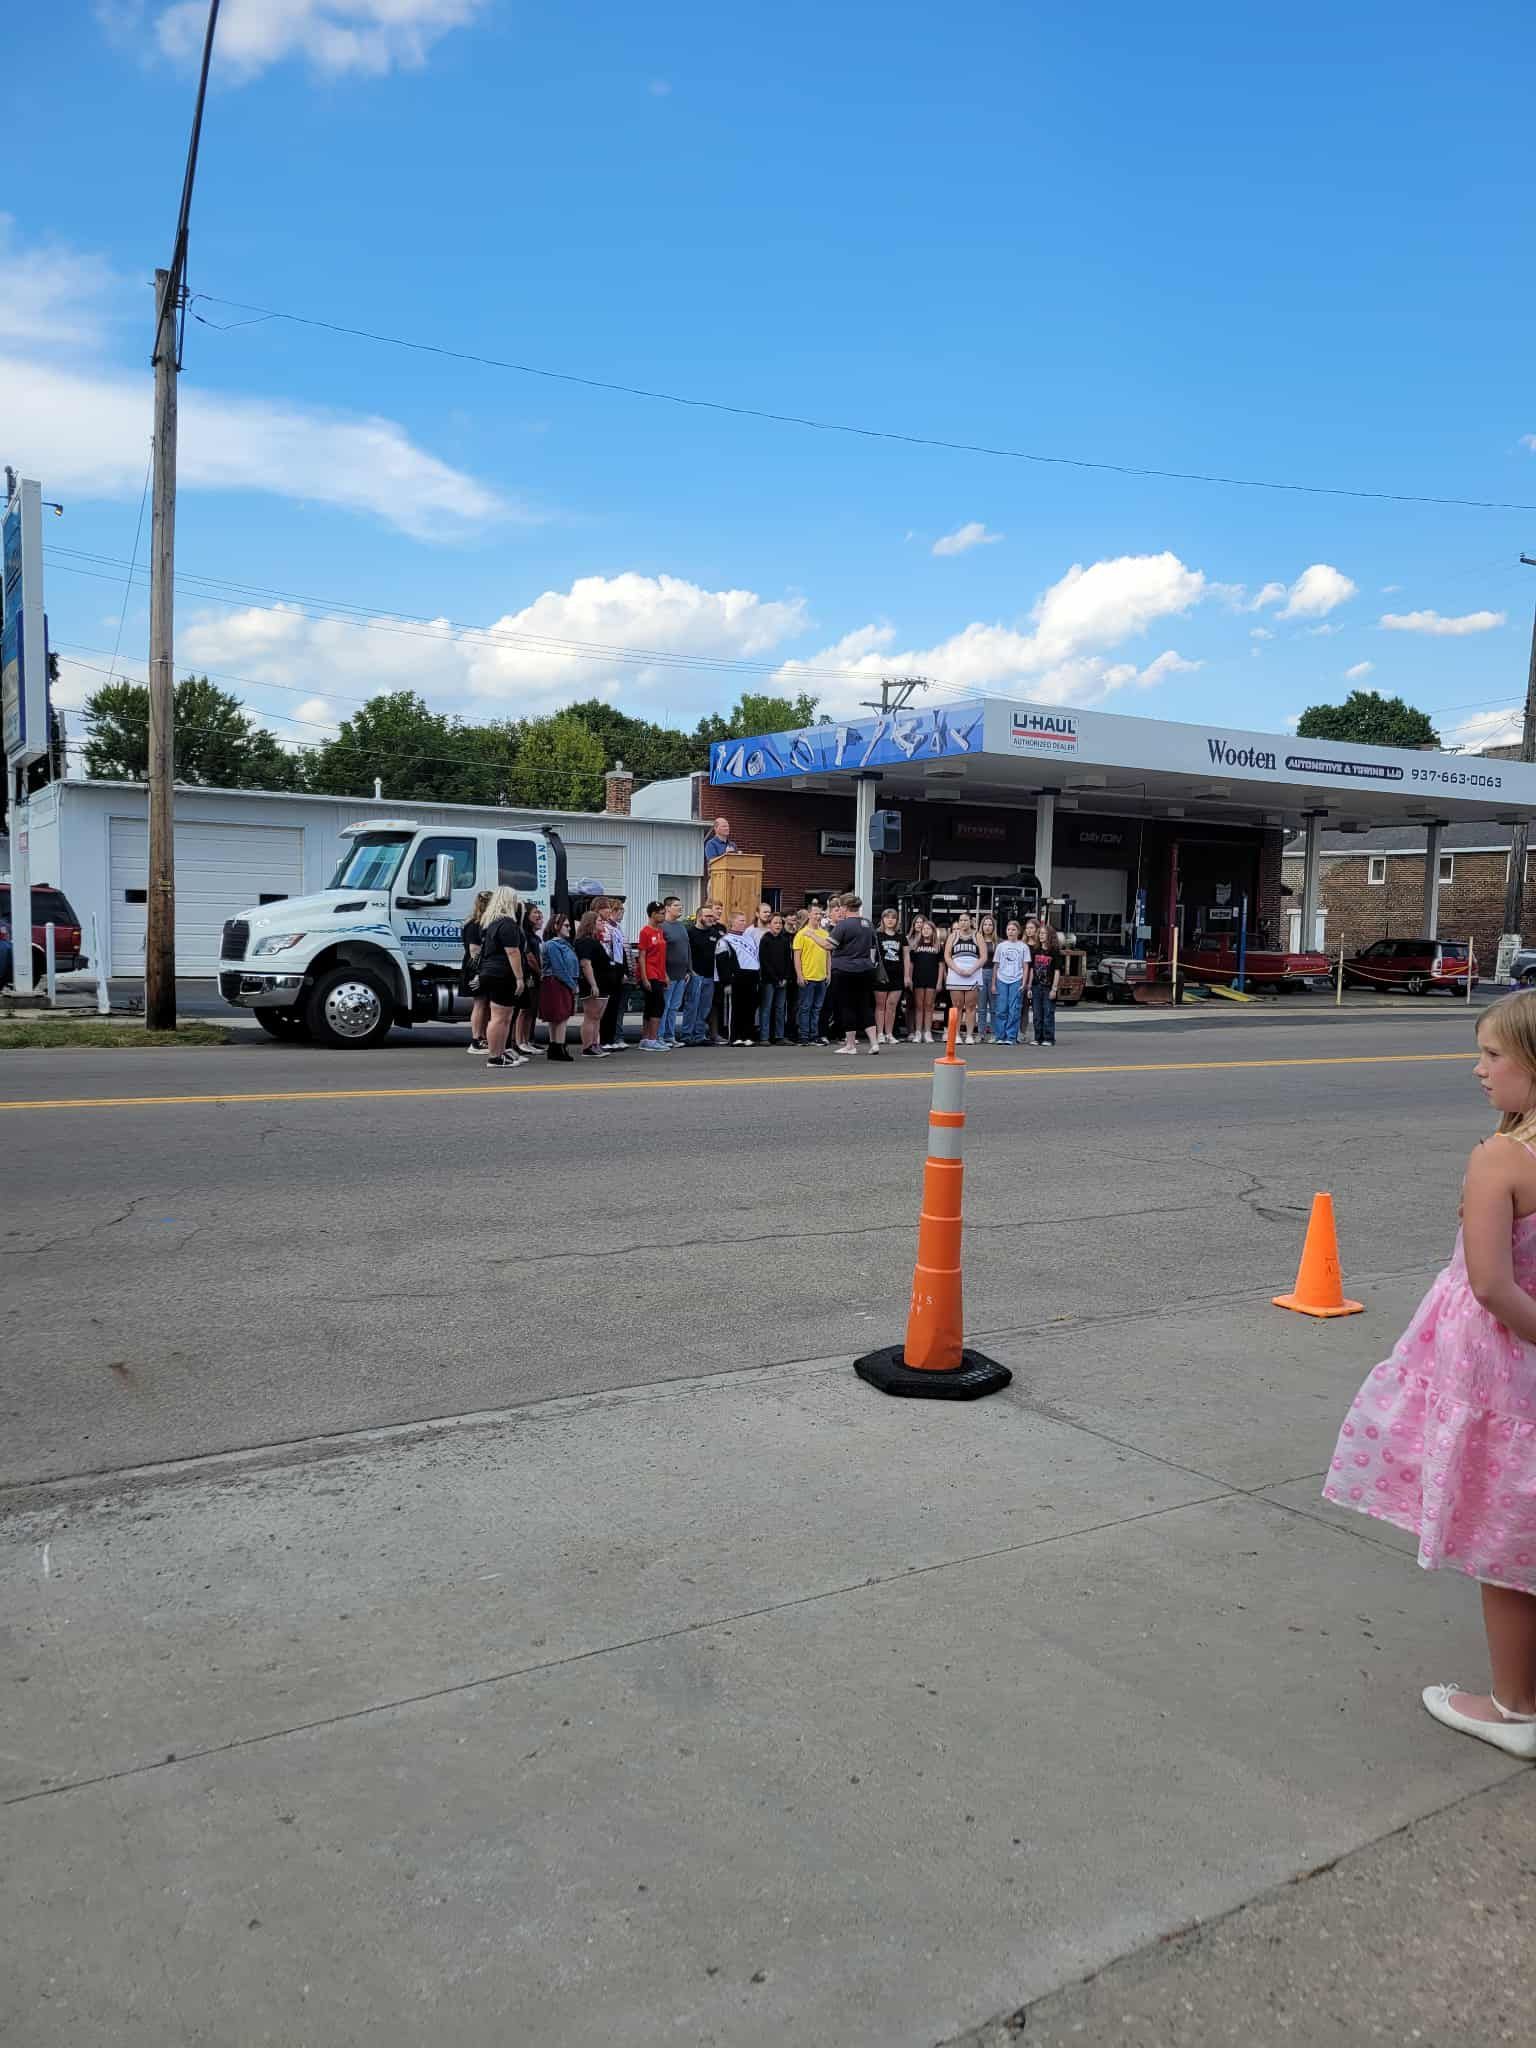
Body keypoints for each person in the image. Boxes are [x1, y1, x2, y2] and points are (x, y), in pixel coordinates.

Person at [1322, 991, 1536, 1760]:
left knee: (1506, 1542)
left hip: (1505, 1372)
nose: (1478, 1070)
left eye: (1493, 1056)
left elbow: (1491, 1285)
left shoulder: (1501, 1159)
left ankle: (1515, 1708)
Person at [477, 886, 530, 1071]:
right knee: (500, 1017)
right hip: (503, 974)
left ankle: (499, 1053)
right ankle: (494, 1055)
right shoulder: (508, 924)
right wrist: (520, 978)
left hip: (491, 972)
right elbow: (512, 951)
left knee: (502, 1017)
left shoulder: (491, 923)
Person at [824, 892, 880, 1056]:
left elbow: (829, 945)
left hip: (845, 970)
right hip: (865, 969)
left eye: (840, 906)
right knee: (864, 1005)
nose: (839, 910)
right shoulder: (868, 924)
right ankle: (874, 1043)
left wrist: (811, 935)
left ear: (846, 907)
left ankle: (850, 1045)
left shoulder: (844, 925)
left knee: (847, 1006)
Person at [538, 912, 581, 1062]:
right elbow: (559, 968)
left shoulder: (563, 944)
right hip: (556, 982)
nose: (569, 929)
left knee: (557, 1017)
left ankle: (555, 1046)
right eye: (566, 926)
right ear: (556, 927)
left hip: (558, 982)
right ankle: (558, 1046)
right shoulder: (553, 945)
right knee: (560, 1016)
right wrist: (572, 984)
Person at [944, 912, 987, 1046]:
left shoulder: (977, 936)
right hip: (956, 973)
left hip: (972, 973)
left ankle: (969, 1035)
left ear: (971, 922)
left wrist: (972, 970)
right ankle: (956, 1034)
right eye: (961, 920)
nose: (963, 923)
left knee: (970, 1006)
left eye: (966, 920)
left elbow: (983, 957)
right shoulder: (953, 936)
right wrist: (957, 970)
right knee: (957, 1007)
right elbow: (947, 956)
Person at [793, 903, 831, 1047]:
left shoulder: (825, 934)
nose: (818, 916)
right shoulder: (802, 934)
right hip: (808, 976)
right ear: (809, 915)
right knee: (805, 1007)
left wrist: (829, 973)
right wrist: (799, 975)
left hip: (821, 977)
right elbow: (797, 956)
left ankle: (814, 1035)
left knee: (817, 1008)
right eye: (815, 913)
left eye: (820, 913)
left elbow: (828, 955)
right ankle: (804, 1036)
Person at [573, 912, 611, 1058]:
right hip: (593, 983)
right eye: (599, 920)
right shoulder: (585, 941)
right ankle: (587, 1046)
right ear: (590, 923)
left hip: (603, 982)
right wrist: (593, 984)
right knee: (591, 1016)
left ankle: (595, 1043)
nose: (603, 923)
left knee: (597, 1017)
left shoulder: (595, 941)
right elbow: (585, 963)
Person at [683, 903, 722, 1045]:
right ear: (699, 917)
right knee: (691, 1006)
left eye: (712, 915)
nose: (712, 918)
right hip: (695, 975)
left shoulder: (715, 933)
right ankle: (687, 1036)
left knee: (705, 1007)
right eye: (708, 916)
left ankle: (699, 1036)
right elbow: (685, 954)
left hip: (710, 976)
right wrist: (689, 971)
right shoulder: (690, 933)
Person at [461, 888, 493, 1055]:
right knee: (480, 1003)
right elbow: (474, 950)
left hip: (480, 967)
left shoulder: (478, 923)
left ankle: (483, 1037)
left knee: (485, 1004)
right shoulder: (475, 925)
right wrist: (480, 972)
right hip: (476, 968)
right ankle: (476, 1040)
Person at [725, 909, 763, 1045]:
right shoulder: (726, 939)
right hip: (737, 976)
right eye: (741, 920)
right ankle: (735, 1036)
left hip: (752, 976)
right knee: (737, 1008)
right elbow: (724, 962)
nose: (744, 923)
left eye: (744, 920)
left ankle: (748, 1036)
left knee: (750, 1007)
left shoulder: (749, 938)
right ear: (732, 922)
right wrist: (727, 982)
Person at [635, 901, 669, 1051]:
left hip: (659, 973)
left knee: (653, 1005)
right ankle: (652, 1038)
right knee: (656, 1005)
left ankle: (647, 1038)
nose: (663, 915)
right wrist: (644, 977)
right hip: (650, 973)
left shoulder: (660, 931)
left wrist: (665, 974)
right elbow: (642, 956)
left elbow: (662, 955)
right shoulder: (645, 932)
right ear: (653, 914)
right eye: (661, 913)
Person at [659, 897, 693, 1048]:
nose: (680, 908)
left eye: (681, 905)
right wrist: (664, 973)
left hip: (681, 974)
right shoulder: (662, 927)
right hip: (668, 974)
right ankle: (659, 1036)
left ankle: (670, 1036)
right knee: (665, 1007)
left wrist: (688, 969)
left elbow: (687, 948)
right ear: (667, 908)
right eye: (676, 905)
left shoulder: (681, 926)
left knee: (674, 1007)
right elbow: (660, 953)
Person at [598, 898, 630, 1049]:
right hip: (611, 970)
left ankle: (612, 1038)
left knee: (616, 1006)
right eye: (619, 910)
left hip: (618, 969)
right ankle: (606, 1039)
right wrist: (618, 970)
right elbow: (610, 952)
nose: (622, 913)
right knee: (609, 1007)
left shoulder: (617, 928)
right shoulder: (606, 928)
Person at [992, 920, 1030, 1045]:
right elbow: (996, 965)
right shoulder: (1001, 946)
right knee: (1001, 1009)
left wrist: (1024, 983)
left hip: (1016, 979)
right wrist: (993, 983)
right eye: (1009, 929)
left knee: (1014, 1009)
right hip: (1002, 979)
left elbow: (1025, 966)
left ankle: (1011, 1036)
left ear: (1018, 932)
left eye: (1013, 930)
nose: (1011, 932)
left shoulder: (1023, 947)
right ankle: (1000, 1035)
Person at [757, 912, 793, 1044]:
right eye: (775, 923)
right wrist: (776, 978)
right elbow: (765, 962)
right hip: (769, 980)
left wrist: (785, 978)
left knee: (780, 1008)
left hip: (782, 980)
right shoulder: (765, 939)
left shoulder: (784, 940)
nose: (778, 925)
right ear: (769, 925)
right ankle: (764, 1037)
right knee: (766, 1008)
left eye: (780, 923)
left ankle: (779, 1036)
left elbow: (788, 960)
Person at [514, 903, 544, 1057]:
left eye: (540, 913)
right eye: (535, 912)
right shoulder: (524, 934)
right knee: (524, 1010)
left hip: (536, 976)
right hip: (529, 975)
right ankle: (519, 1041)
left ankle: (527, 1040)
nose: (539, 916)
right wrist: (540, 972)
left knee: (531, 1010)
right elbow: (529, 956)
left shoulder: (535, 936)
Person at [874, 908, 907, 1046]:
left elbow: (906, 957)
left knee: (892, 1005)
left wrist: (907, 976)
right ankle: (880, 1033)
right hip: (881, 973)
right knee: (880, 1005)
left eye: (893, 917)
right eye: (887, 917)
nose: (890, 920)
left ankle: (889, 1033)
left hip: (897, 974)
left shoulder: (901, 937)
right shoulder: (877, 935)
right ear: (882, 919)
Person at [908, 918, 943, 1043]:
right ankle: (918, 1032)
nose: (926, 931)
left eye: (928, 929)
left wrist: (939, 981)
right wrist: (910, 978)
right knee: (919, 1006)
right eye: (924, 929)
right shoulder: (915, 946)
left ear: (933, 931)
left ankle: (927, 1032)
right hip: (918, 978)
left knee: (929, 1006)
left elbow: (941, 965)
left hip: (932, 979)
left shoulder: (937, 946)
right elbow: (911, 964)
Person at [1030, 919, 1062, 1047]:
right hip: (1036, 986)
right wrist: (1029, 987)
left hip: (1048, 986)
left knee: (1048, 1012)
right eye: (1040, 933)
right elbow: (1032, 969)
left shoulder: (1054, 951)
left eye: (1043, 933)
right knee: (1037, 1014)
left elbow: (1057, 971)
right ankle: (1038, 1037)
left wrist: (1054, 989)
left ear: (1050, 936)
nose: (1041, 935)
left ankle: (1049, 1038)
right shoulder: (1036, 950)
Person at [976, 915, 1000, 1042]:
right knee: (981, 1007)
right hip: (980, 973)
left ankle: (995, 1033)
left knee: (994, 1007)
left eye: (990, 924)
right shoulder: (977, 941)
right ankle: (980, 1033)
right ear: (982, 926)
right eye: (985, 924)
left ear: (993, 927)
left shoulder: (998, 942)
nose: (988, 927)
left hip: (993, 974)